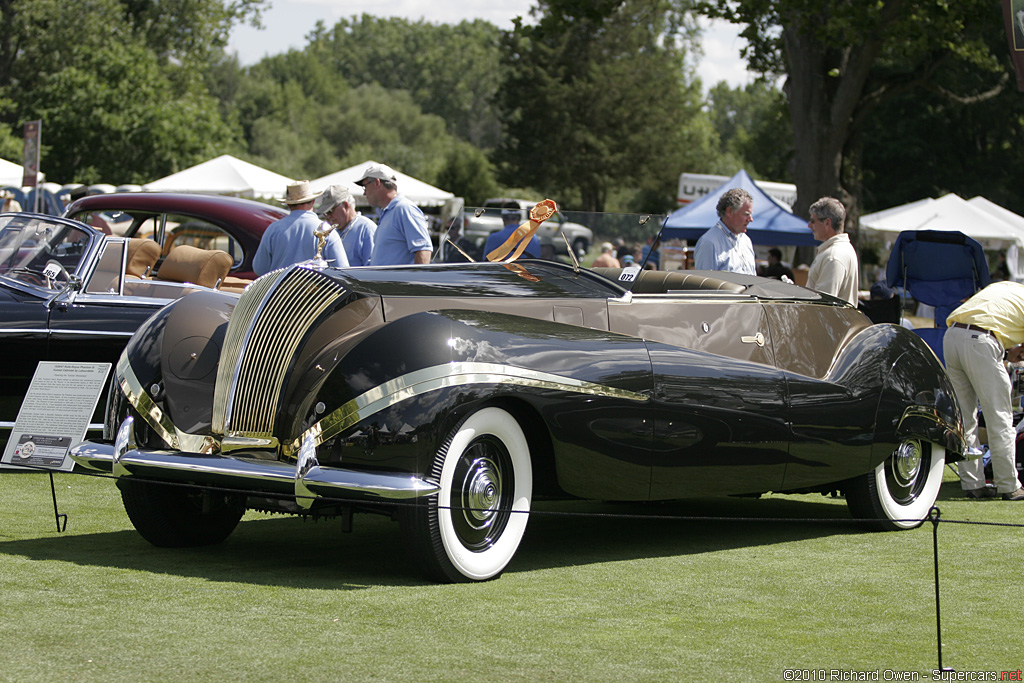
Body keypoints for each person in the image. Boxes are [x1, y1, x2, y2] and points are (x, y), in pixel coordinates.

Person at [943, 281, 1024, 500]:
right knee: (1000, 417)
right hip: (982, 342)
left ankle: (973, 484)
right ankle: (1009, 486)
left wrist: (1011, 352)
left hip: (952, 336)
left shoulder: (1007, 287)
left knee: (965, 419)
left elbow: (991, 318)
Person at [253, 180, 348, 275]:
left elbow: (259, 268)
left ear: (289, 204)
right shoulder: (327, 230)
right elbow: (342, 270)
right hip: (316, 289)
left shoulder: (273, 229)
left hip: (281, 288)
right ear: (313, 201)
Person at [356, 163, 431, 265]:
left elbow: (424, 251)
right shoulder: (390, 211)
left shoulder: (404, 208)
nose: (364, 193)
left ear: (377, 183)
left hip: (398, 281)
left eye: (365, 187)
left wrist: (417, 281)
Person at [805, 196, 859, 306]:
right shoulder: (840, 250)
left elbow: (823, 305)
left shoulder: (833, 256)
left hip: (827, 322)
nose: (809, 225)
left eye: (813, 221)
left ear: (827, 223)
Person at [694, 188, 755, 274]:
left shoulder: (746, 241)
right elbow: (704, 284)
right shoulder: (709, 243)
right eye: (746, 214)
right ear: (729, 211)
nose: (751, 219)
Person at [313, 184, 376, 266]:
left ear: (346, 205)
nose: (328, 216)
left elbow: (373, 268)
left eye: (330, 210)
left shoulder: (366, 228)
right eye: (325, 213)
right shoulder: (332, 231)